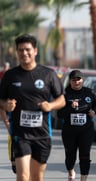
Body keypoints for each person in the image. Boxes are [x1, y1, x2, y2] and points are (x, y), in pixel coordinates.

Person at [0, 34, 66, 181]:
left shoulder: (48, 74)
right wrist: (7, 105)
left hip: (42, 134)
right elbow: (1, 100)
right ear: (17, 52)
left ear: (35, 51)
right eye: (20, 50)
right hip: (20, 134)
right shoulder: (11, 76)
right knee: (23, 176)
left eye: (27, 49)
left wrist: (50, 105)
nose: (24, 53)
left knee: (36, 177)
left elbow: (62, 100)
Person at [57, 70, 96, 181]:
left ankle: (83, 178)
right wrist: (70, 107)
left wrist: (93, 111)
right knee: (70, 156)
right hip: (69, 130)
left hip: (86, 130)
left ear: (82, 80)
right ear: (70, 81)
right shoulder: (64, 94)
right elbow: (59, 114)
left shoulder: (89, 92)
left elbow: (95, 106)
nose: (76, 82)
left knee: (85, 155)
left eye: (78, 79)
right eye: (74, 80)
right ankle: (71, 171)